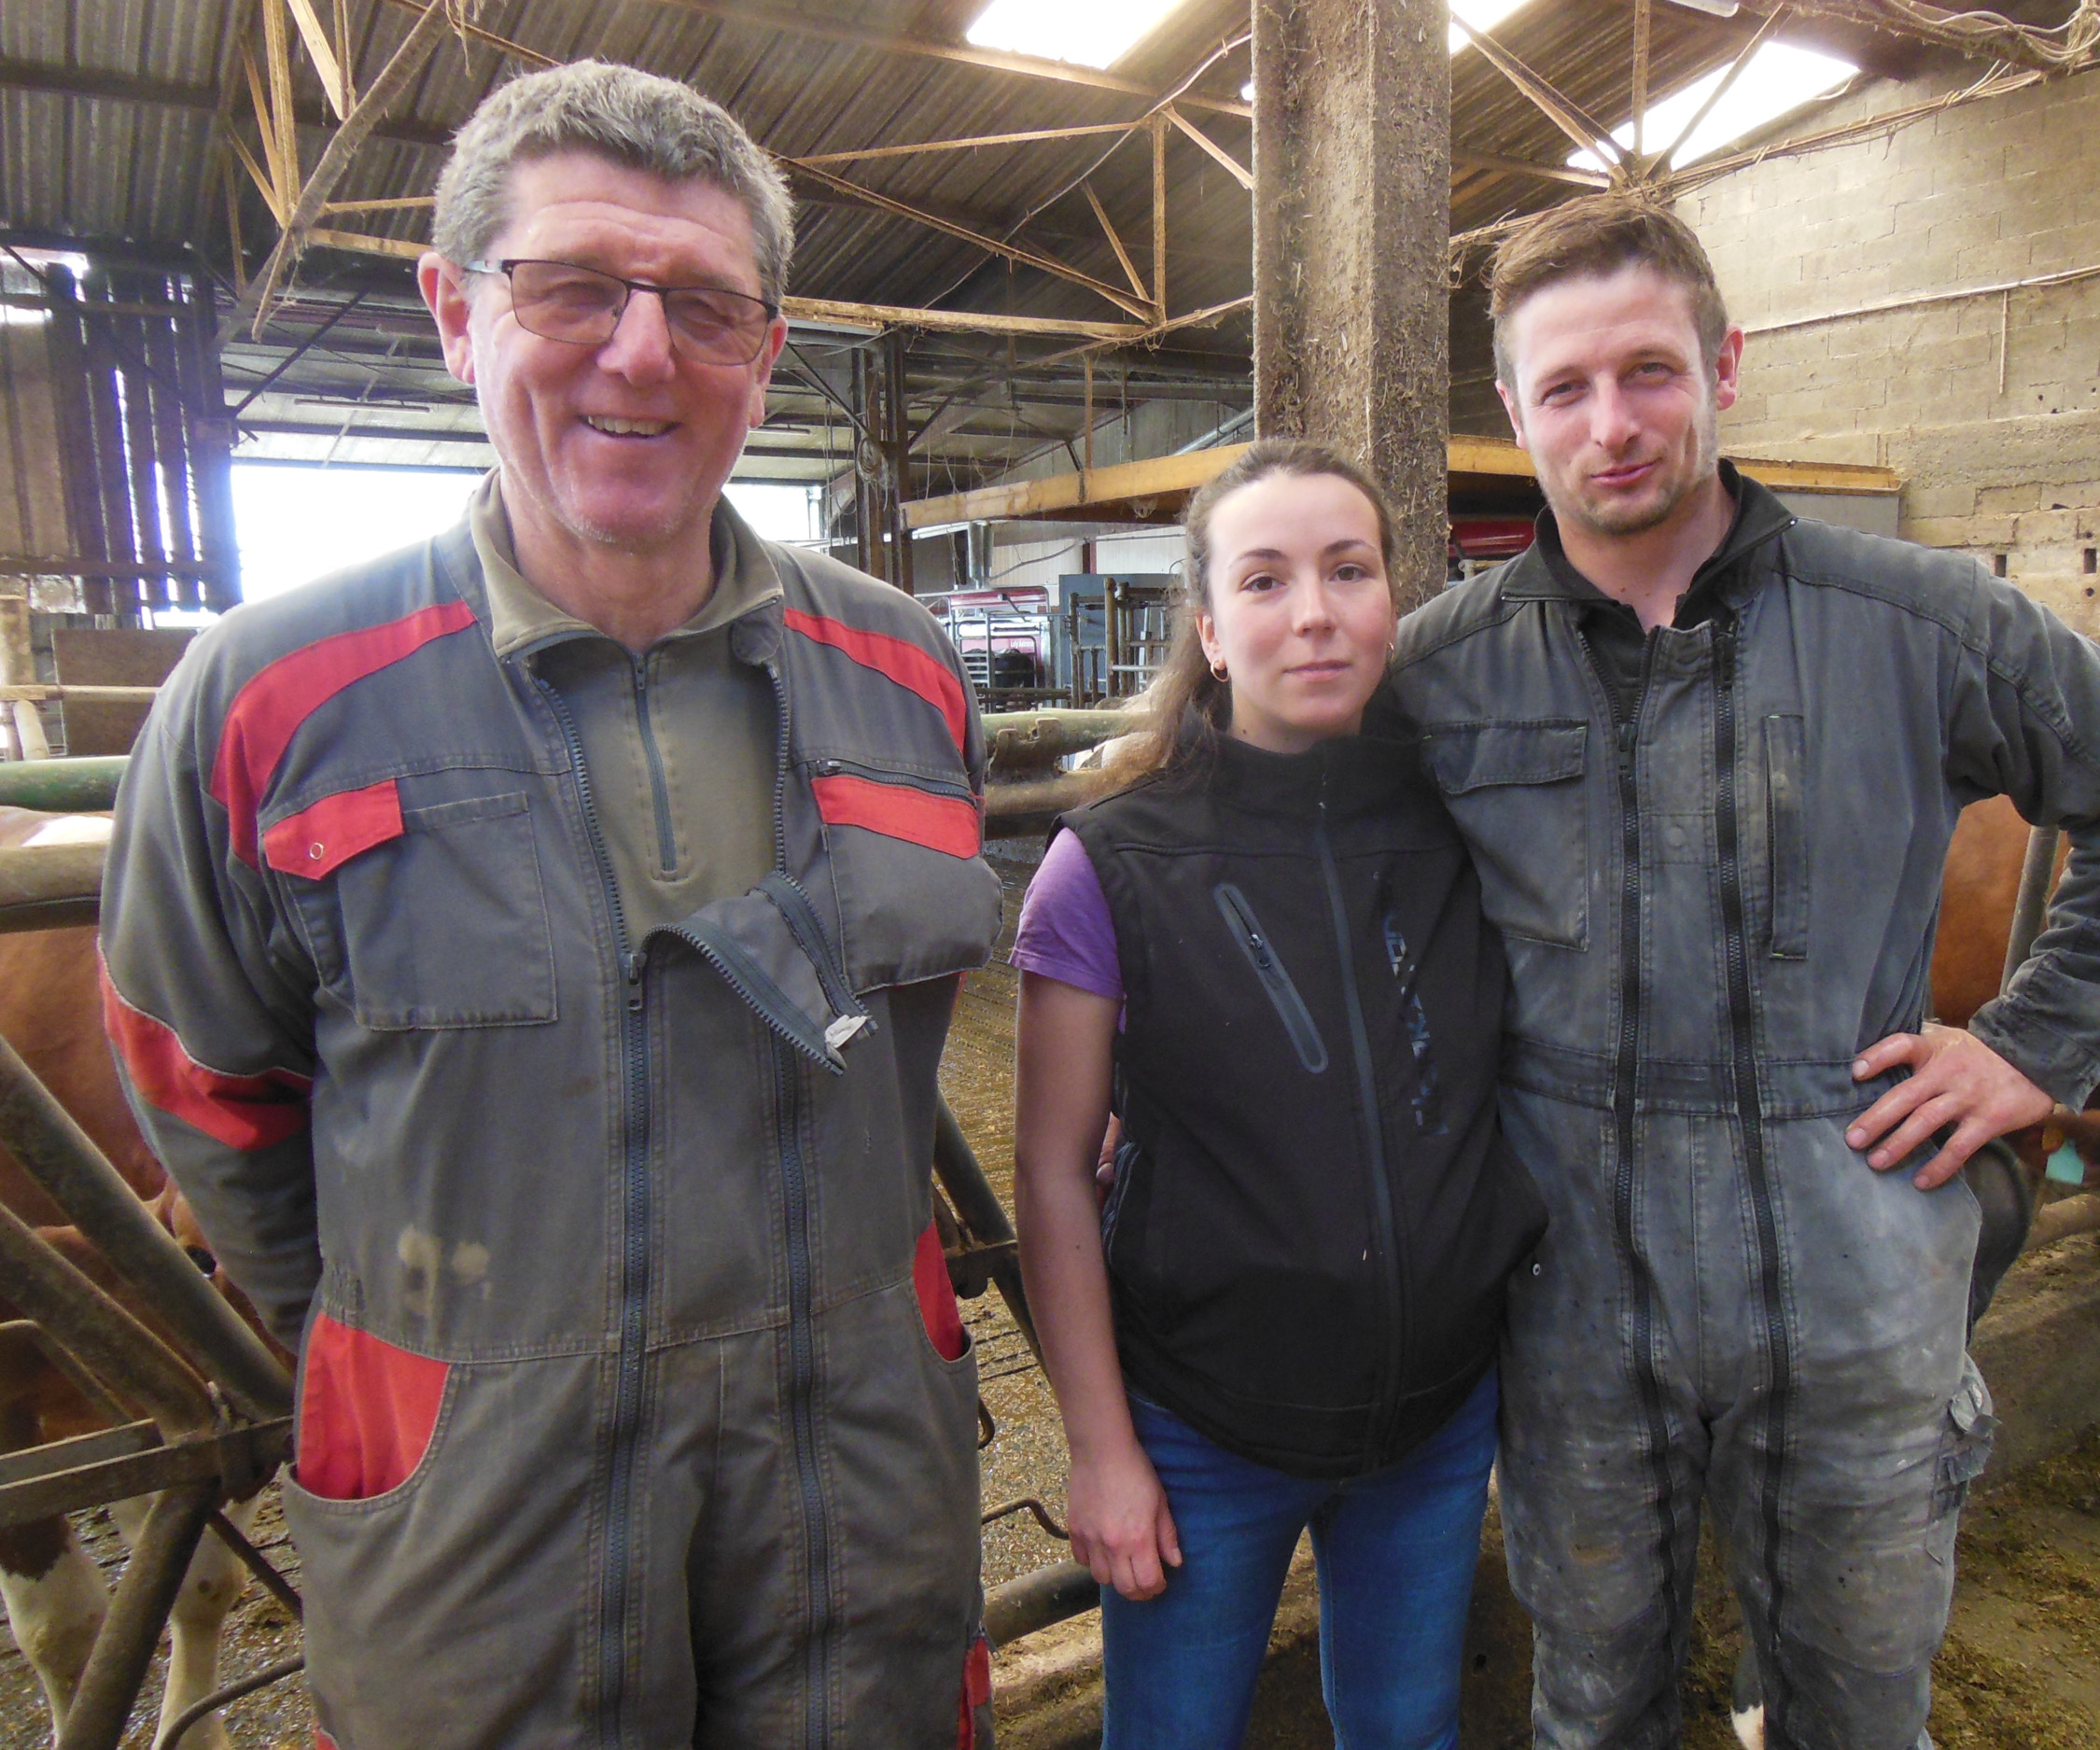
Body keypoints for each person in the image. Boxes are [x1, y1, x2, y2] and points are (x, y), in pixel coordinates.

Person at [99, 62, 1001, 1750]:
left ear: (765, 353)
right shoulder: (269, 701)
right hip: (483, 1515)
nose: (641, 353)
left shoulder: (902, 671)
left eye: (707, 308)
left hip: (861, 1474)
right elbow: (199, 1084)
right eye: (574, 288)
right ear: (455, 315)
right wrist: (427, 1355)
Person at [1393, 195, 2100, 1749]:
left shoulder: (1912, 619)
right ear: (1514, 413)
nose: (1613, 423)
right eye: (1564, 389)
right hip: (1567, 1287)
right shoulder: (1439, 669)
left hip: (1852, 1266)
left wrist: (2036, 1044)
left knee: (1856, 1706)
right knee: (1591, 1706)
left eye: (1648, 370)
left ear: (1725, 363)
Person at [1012, 441, 1547, 1749]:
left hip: (1432, 1419)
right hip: (1203, 1424)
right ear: (1209, 623)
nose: (1312, 611)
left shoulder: (1469, 828)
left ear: (1390, 601)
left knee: (1407, 1731)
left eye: (1347, 570)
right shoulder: (1111, 863)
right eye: (1264, 579)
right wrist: (1101, 1451)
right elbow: (1048, 1173)